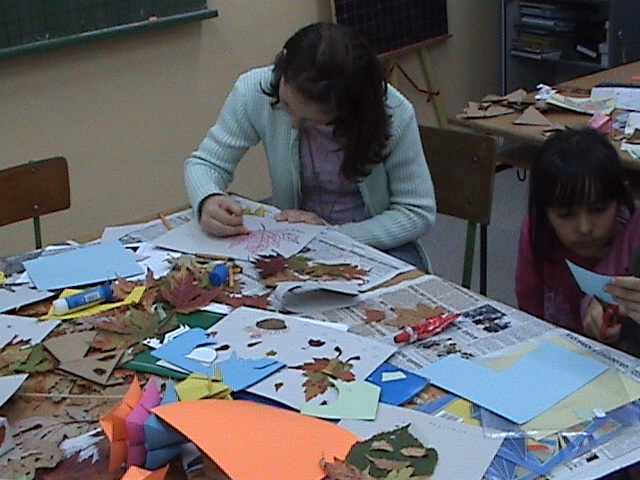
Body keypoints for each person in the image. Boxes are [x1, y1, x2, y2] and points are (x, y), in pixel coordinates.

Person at [183, 22, 436, 271]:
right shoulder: (253, 91)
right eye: (286, 106)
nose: (293, 123)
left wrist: (332, 236)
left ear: (347, 110)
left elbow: (416, 212)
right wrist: (208, 198)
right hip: (294, 242)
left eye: (312, 121)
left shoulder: (394, 113)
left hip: (372, 241)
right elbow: (205, 164)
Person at [515, 127, 640, 356]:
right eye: (566, 215)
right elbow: (529, 300)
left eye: (598, 209)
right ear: (544, 211)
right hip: (555, 352)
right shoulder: (538, 230)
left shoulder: (632, 238)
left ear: (621, 196)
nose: (585, 228)